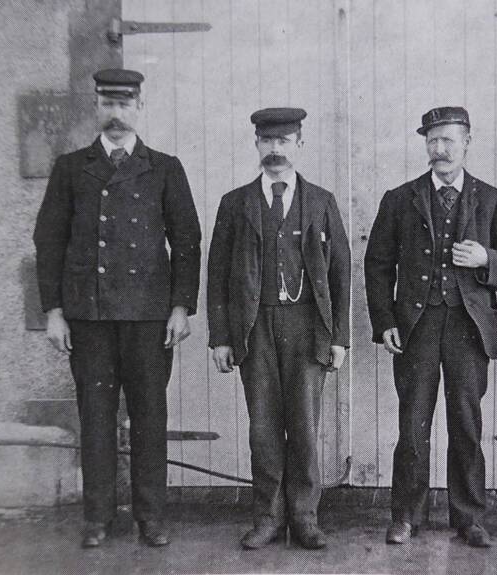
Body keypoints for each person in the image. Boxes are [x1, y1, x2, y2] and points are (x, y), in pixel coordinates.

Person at [33, 69, 201, 548]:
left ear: (140, 106)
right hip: (90, 317)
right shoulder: (71, 167)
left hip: (149, 317)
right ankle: (98, 517)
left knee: (150, 418)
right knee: (96, 418)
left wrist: (181, 306)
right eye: (108, 103)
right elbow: (48, 241)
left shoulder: (165, 167)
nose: (116, 113)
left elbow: (187, 241)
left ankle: (152, 517)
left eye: (125, 104)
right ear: (96, 107)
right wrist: (53, 311)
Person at [364, 107, 497, 547]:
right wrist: (384, 323)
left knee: (466, 423)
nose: (439, 150)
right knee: (412, 424)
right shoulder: (400, 198)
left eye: (448, 140)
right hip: (416, 325)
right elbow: (377, 265)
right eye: (432, 141)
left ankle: (469, 516)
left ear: (467, 141)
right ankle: (406, 516)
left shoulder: (493, 199)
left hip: (469, 327)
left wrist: (485, 260)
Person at [207, 108, 351, 550]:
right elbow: (216, 274)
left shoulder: (321, 201)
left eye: (284, 141)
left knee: (305, 427)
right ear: (256, 145)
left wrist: (339, 337)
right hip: (255, 328)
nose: (275, 150)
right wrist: (222, 337)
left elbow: (342, 271)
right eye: (267, 141)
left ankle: (305, 518)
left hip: (308, 327)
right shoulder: (236, 203)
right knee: (263, 427)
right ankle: (268, 517)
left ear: (299, 145)